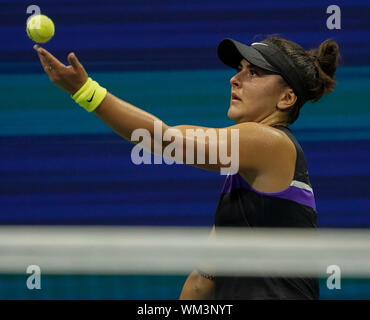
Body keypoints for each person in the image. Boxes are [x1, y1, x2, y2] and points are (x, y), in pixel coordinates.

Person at [33, 34, 340, 300]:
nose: (235, 79)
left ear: (286, 98)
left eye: (255, 73)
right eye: (240, 70)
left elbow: (165, 139)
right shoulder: (245, 183)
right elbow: (203, 278)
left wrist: (85, 91)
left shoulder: (272, 143)